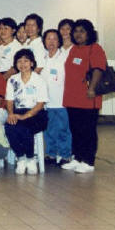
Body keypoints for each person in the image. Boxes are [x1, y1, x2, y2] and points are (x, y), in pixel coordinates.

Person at [61, 19, 107, 174]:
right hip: (72, 97)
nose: (78, 34)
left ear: (89, 33)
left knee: (87, 130)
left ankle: (88, 161)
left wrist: (92, 89)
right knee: (75, 129)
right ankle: (77, 158)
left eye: (82, 31)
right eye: (75, 31)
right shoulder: (74, 49)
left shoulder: (95, 48)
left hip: (88, 97)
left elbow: (98, 69)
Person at [5, 48, 49, 175]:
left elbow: (40, 104)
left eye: (26, 61)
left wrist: (25, 116)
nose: (22, 64)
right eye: (19, 61)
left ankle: (30, 158)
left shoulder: (39, 80)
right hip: (17, 111)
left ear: (32, 63)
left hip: (37, 114)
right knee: (9, 127)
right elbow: (9, 100)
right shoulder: (12, 79)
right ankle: (21, 157)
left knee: (25, 127)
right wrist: (11, 114)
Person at [40, 29, 72, 166]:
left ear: (59, 41)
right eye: (48, 38)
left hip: (61, 101)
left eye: (54, 39)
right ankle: (51, 154)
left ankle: (65, 155)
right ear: (44, 41)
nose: (51, 42)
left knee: (63, 129)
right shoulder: (42, 58)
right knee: (49, 130)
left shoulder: (65, 58)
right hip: (46, 102)